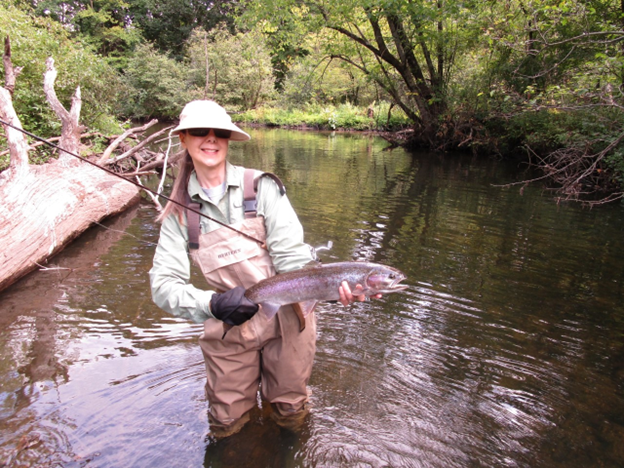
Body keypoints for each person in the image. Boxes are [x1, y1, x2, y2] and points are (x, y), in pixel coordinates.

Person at [149, 100, 370, 438]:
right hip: (229, 323)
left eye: (218, 132)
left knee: (289, 411)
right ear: (183, 139)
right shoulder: (179, 213)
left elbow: (295, 264)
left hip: (290, 320)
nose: (210, 139)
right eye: (199, 132)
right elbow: (163, 285)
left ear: (228, 139)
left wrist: (330, 289)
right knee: (226, 422)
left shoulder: (262, 187)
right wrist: (210, 304)